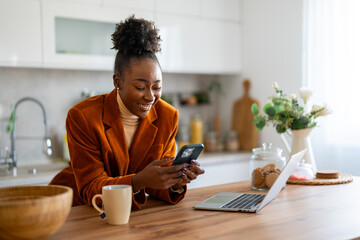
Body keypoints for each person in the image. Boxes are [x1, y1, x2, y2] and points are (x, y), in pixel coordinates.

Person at [50, 16, 205, 209]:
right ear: (117, 82)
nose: (150, 97)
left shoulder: (167, 116)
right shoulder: (83, 117)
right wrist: (137, 181)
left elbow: (154, 183)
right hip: (79, 210)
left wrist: (175, 182)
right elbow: (91, 187)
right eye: (140, 87)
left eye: (157, 87)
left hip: (128, 215)